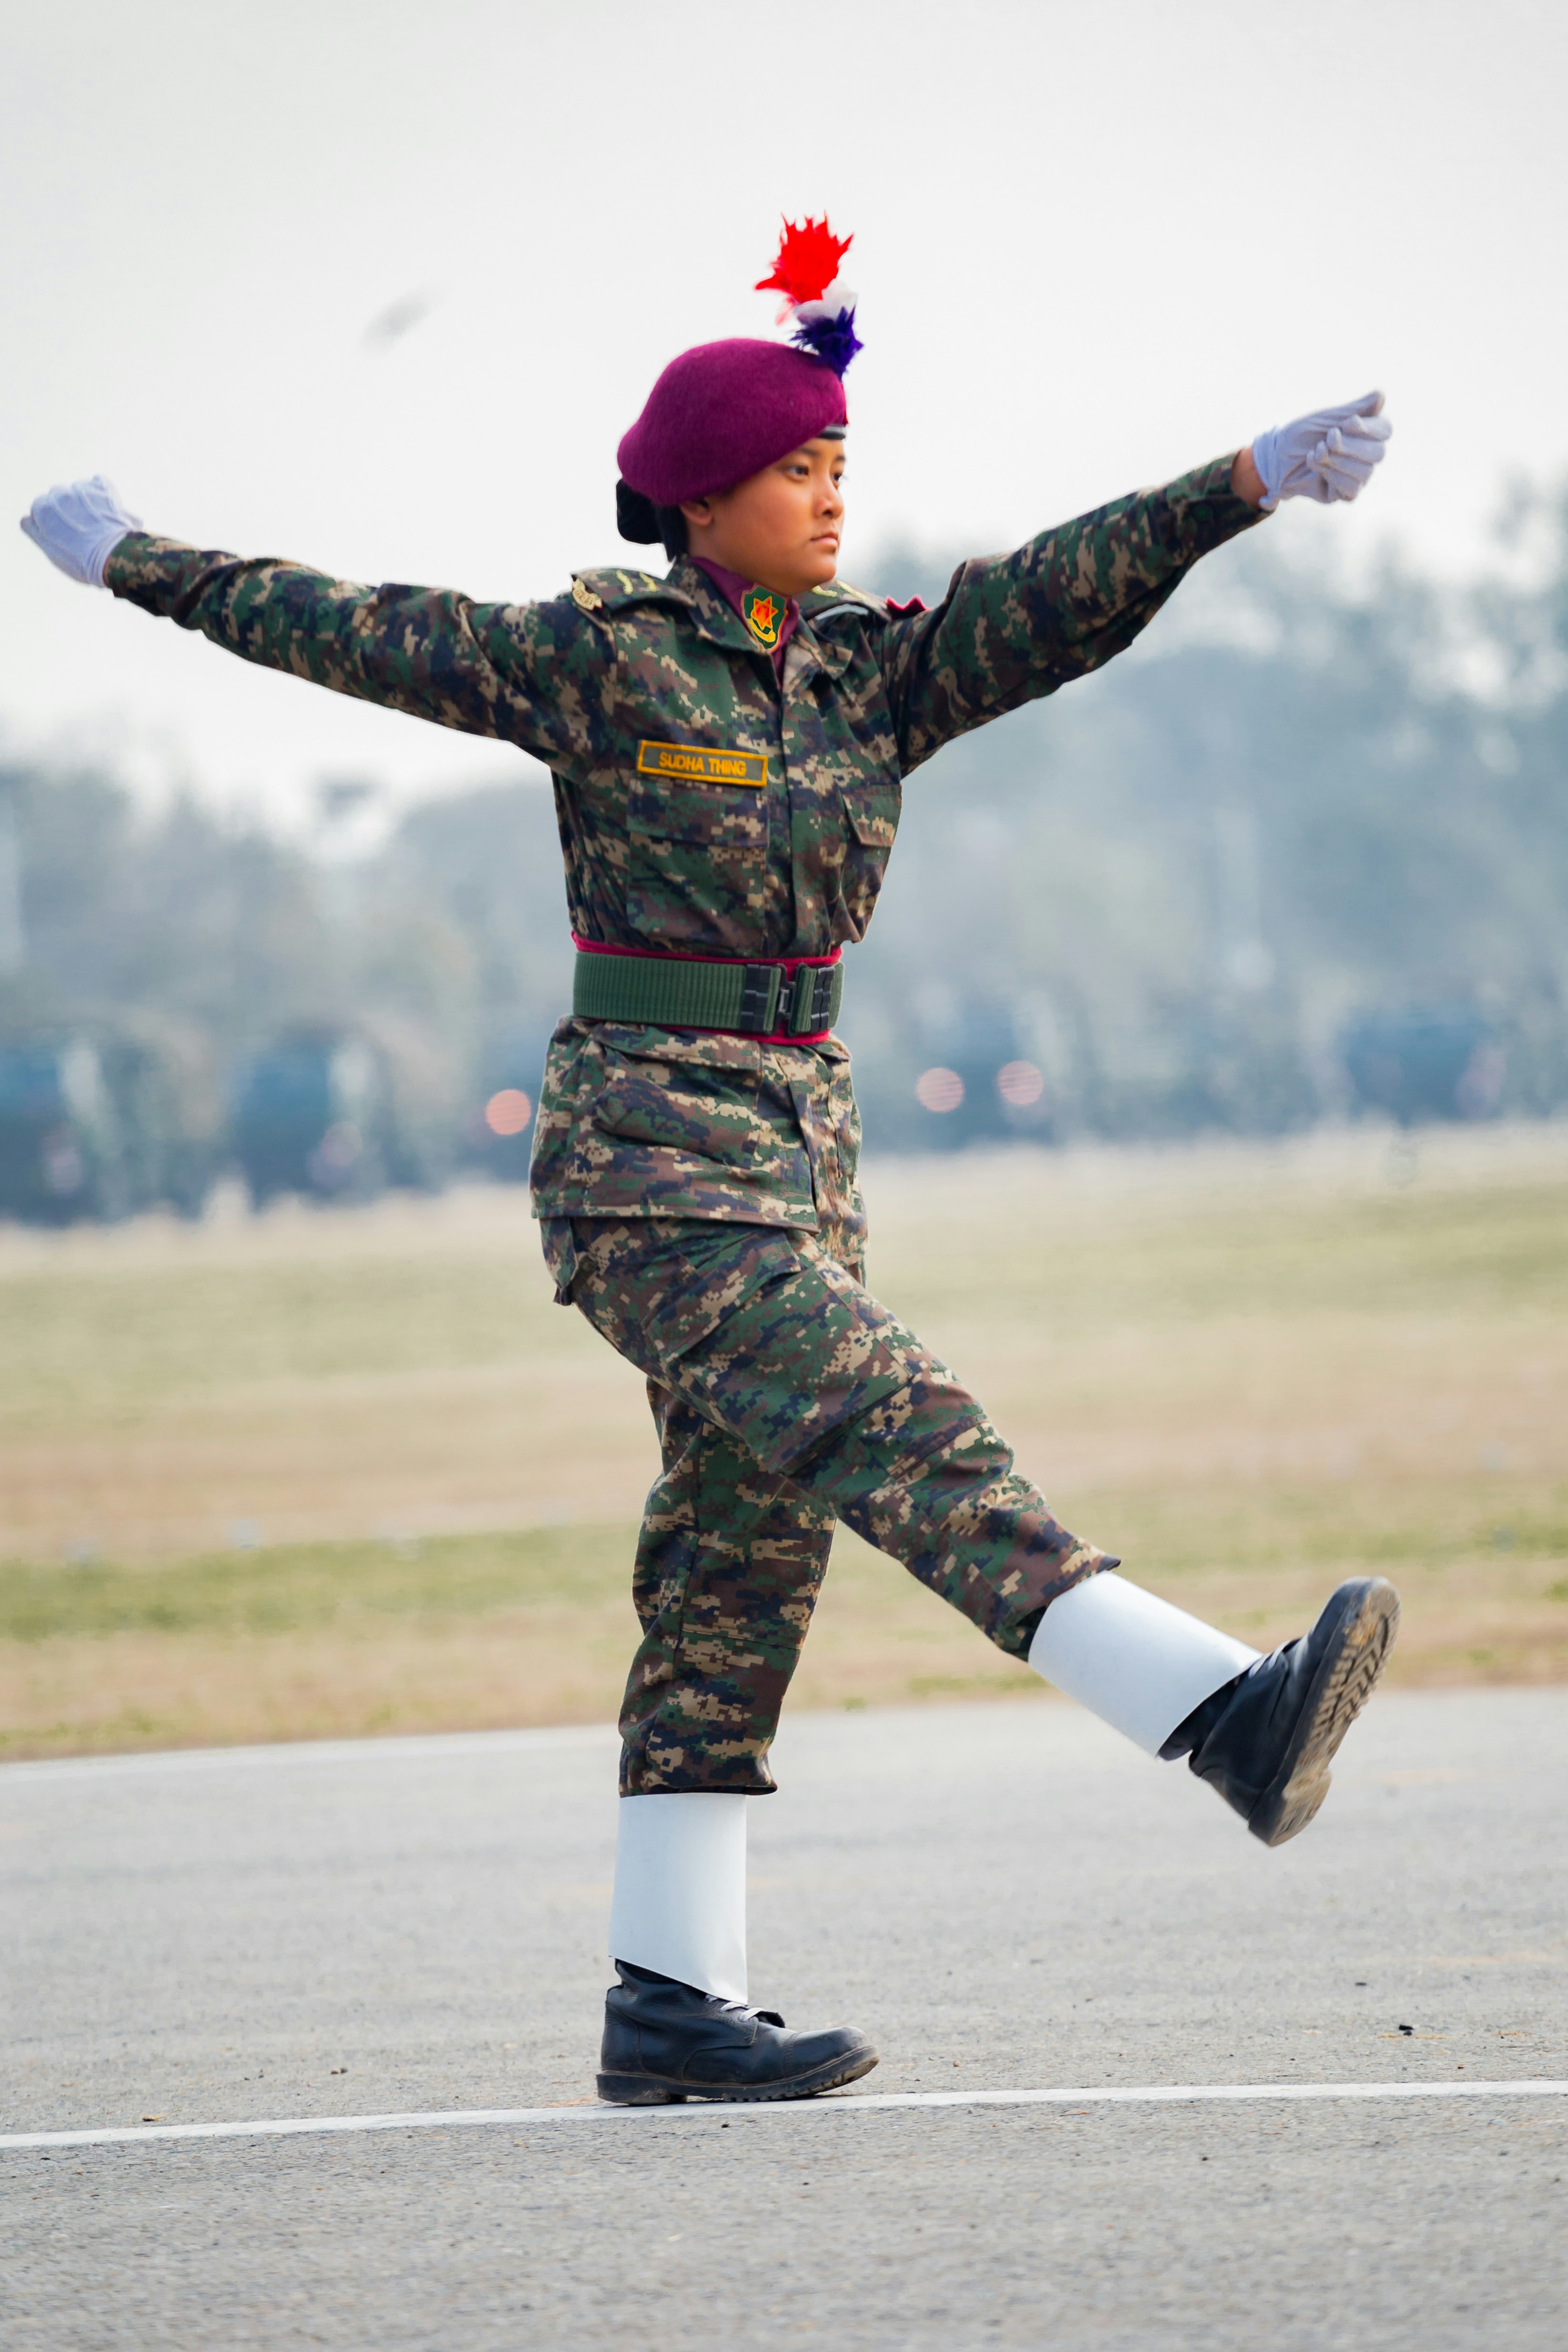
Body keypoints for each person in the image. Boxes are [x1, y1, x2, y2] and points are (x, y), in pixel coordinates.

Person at [22, 217, 1400, 2109]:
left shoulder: (866, 672)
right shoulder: (598, 661)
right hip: (646, 1162)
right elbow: (347, 623)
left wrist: (1239, 483)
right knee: (904, 1424)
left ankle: (668, 2003)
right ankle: (1214, 1713)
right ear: (697, 500)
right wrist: (137, 562)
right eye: (792, 470)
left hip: (798, 1143)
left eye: (840, 465)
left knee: (737, 1561)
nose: (829, 499)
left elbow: (1055, 595)